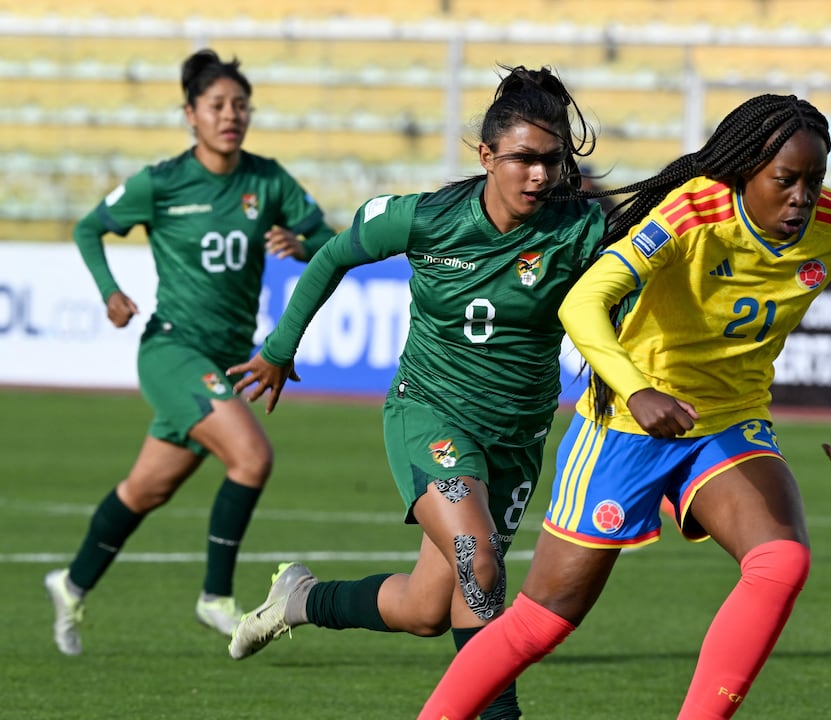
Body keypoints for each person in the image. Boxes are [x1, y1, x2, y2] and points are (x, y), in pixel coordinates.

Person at [419, 93, 831, 719]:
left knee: (781, 560)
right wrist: (637, 388)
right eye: (786, 180)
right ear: (746, 170)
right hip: (626, 428)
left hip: (726, 423)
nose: (802, 197)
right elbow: (580, 304)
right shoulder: (689, 214)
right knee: (543, 622)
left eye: (815, 180)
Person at [225, 66, 604, 720]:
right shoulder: (427, 218)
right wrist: (281, 348)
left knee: (428, 609)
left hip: (517, 437)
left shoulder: (581, 230)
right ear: (487, 157)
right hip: (431, 413)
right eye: (524, 160)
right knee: (477, 561)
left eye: (553, 161)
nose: (540, 175)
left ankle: (302, 599)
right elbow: (333, 255)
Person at [44, 49, 336, 656]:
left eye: (240, 105)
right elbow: (87, 227)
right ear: (191, 115)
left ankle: (69, 584)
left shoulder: (268, 181)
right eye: (217, 106)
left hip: (224, 357)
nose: (231, 116)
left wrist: (302, 241)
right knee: (252, 458)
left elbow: (330, 240)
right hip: (172, 350)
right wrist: (110, 292)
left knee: (145, 491)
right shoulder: (163, 182)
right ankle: (215, 597)